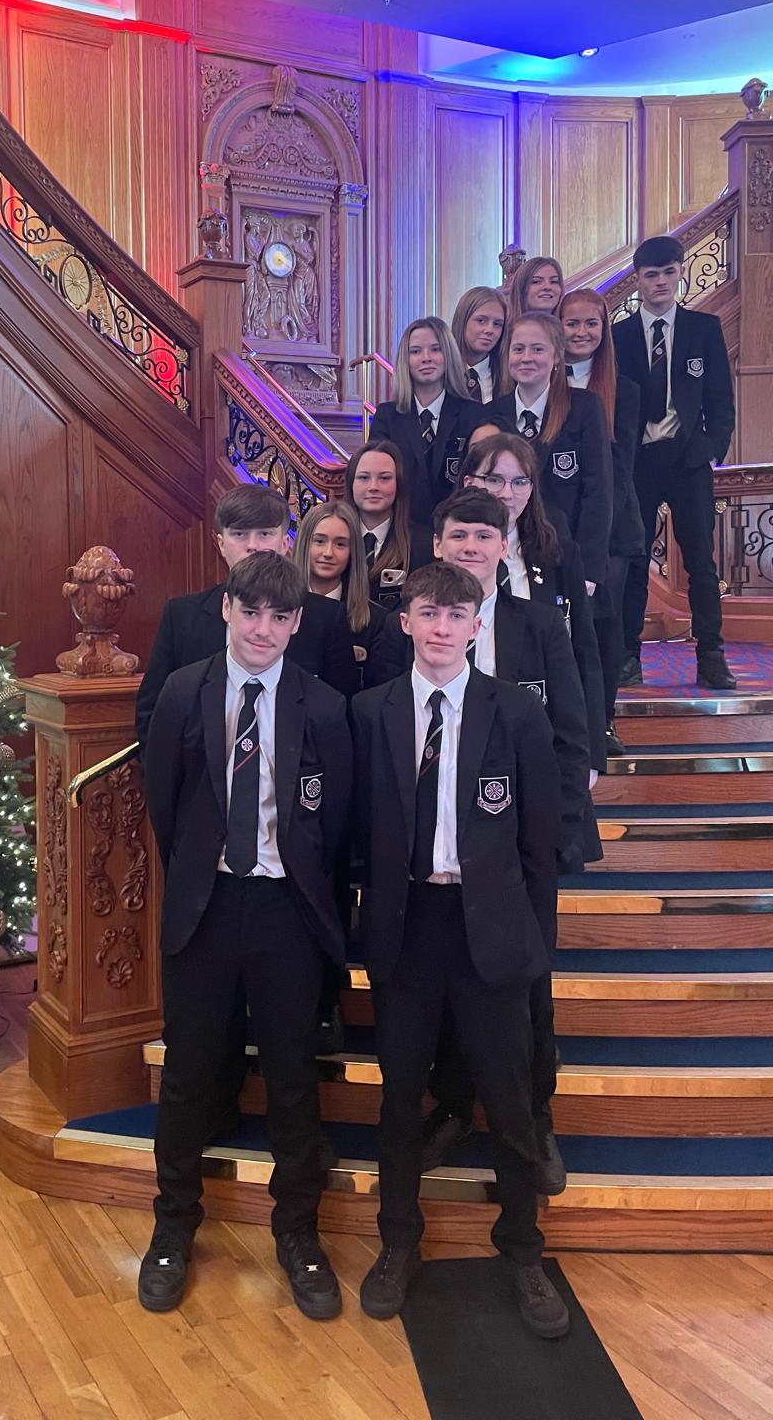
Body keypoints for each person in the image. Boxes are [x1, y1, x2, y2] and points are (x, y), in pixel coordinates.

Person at [353, 561, 568, 1339]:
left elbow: (539, 843)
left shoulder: (515, 712)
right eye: (428, 613)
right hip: (408, 926)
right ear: (406, 621)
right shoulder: (370, 712)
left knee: (509, 1100)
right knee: (399, 1096)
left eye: (456, 615)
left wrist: (532, 943)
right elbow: (354, 831)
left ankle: (523, 1250)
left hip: (490, 928)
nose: (441, 627)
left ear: (476, 627)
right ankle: (397, 1241)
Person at [141, 552, 352, 1320]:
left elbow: (337, 826)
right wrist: (204, 870)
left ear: (296, 623)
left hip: (286, 911)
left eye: (279, 616)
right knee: (189, 1071)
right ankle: (173, 1226)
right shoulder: (182, 691)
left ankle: (297, 1231)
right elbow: (165, 801)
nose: (263, 629)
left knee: (292, 1077)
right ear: (227, 608)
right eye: (251, 611)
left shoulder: (323, 706)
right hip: (206, 903)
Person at [420, 490, 591, 1195]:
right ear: (438, 544)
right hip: (440, 846)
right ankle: (454, 1107)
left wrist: (553, 838)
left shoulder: (539, 623)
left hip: (521, 849)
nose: (470, 546)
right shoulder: (422, 624)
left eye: (483, 536)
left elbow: (571, 734)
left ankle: (534, 1117)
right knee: (449, 984)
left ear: (503, 544)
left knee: (528, 988)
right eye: (458, 534)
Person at [135, 484, 359, 755]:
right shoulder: (181, 616)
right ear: (221, 544)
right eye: (240, 534)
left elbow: (340, 716)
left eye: (265, 533)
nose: (253, 546)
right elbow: (153, 714)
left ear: (285, 543)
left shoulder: (326, 618)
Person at [616, 235, 737, 691]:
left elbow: (720, 399)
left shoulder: (703, 329)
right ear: (638, 280)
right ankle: (628, 654)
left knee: (701, 562)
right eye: (652, 275)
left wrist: (711, 449)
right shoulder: (620, 336)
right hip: (638, 462)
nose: (661, 282)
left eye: (669, 272)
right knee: (633, 561)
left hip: (687, 461)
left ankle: (711, 655)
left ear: (681, 272)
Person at [460, 433, 607, 794]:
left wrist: (592, 752)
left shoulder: (557, 553)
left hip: (542, 730)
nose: (507, 493)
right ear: (469, 483)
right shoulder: (448, 550)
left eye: (519, 482)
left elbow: (584, 654)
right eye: (494, 479)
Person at [561, 287, 646, 752]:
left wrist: (593, 531)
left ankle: (604, 720)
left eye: (591, 323)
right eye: (572, 323)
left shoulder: (624, 390)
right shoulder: (539, 383)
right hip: (557, 525)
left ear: (604, 329)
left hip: (611, 529)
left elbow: (619, 471)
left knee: (601, 627)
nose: (581, 332)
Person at [485, 312, 613, 591]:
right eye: (518, 349)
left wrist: (588, 567)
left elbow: (598, 491)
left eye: (537, 349)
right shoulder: (492, 414)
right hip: (507, 558)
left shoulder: (584, 408)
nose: (526, 358)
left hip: (565, 552)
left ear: (557, 356)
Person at [367, 318, 482, 529]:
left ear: (448, 355)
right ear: (405, 360)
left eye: (435, 349)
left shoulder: (474, 414)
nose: (426, 358)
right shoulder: (387, 416)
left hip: (457, 530)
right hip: (400, 531)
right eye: (416, 351)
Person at [292, 498, 404, 689]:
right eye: (319, 541)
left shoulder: (376, 621)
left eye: (340, 544)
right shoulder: (279, 611)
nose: (328, 552)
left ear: (353, 551)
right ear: (304, 544)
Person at [343, 440, 430, 614]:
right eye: (364, 478)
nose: (373, 487)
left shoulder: (423, 543)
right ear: (351, 484)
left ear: (399, 484)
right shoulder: (333, 539)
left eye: (384, 478)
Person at [451, 285, 508, 404]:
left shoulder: (509, 378)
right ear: (463, 320)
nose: (490, 330)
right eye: (481, 321)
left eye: (497, 324)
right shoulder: (440, 374)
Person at [507, 254, 564, 321]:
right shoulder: (503, 326)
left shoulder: (569, 326)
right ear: (521, 289)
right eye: (536, 281)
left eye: (554, 281)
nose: (547, 287)